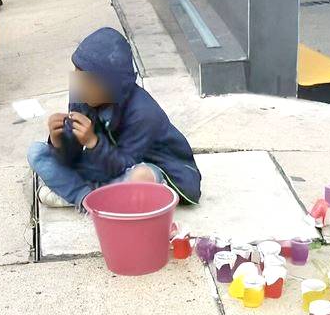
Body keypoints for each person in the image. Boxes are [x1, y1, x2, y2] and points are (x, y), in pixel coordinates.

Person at [27, 27, 202, 210]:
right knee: (37, 153)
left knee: (141, 177)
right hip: (103, 163)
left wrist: (93, 143)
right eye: (77, 73)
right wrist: (59, 141)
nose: (80, 85)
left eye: (89, 80)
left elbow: (125, 165)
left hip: (144, 167)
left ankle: (82, 194)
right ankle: (86, 197)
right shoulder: (80, 91)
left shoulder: (143, 112)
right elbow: (72, 157)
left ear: (111, 84)